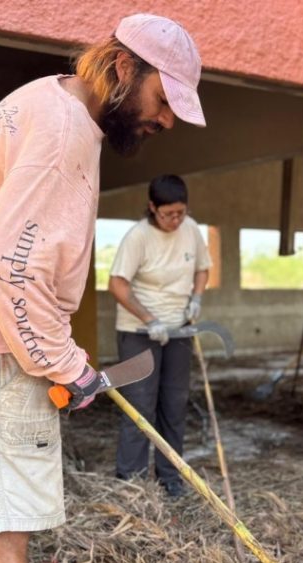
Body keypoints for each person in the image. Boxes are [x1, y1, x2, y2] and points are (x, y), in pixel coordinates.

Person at [0, 14, 205, 563]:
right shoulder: (65, 133)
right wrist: (65, 364)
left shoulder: (36, 101)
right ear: (124, 67)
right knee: (7, 528)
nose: (166, 120)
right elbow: (13, 268)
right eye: (163, 99)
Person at [109, 174, 210, 498]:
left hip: (178, 331)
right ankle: (132, 482)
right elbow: (118, 285)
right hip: (140, 333)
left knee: (174, 404)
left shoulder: (190, 229)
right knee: (140, 407)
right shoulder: (137, 237)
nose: (175, 220)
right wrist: (150, 320)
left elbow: (202, 269)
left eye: (180, 213)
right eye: (168, 214)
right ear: (153, 208)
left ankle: (171, 478)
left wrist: (196, 299)